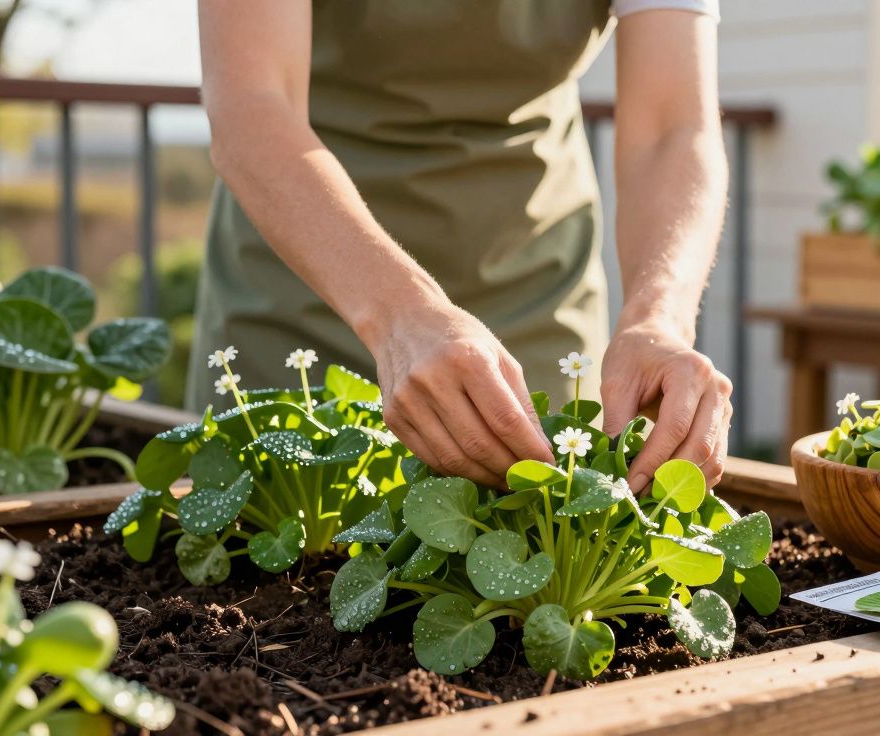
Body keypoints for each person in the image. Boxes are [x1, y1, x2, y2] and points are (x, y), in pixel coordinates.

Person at [191, 0, 733, 493]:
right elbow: (254, 104)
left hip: (534, 298)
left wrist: (656, 320)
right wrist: (397, 313)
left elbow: (672, 126)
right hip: (307, 291)